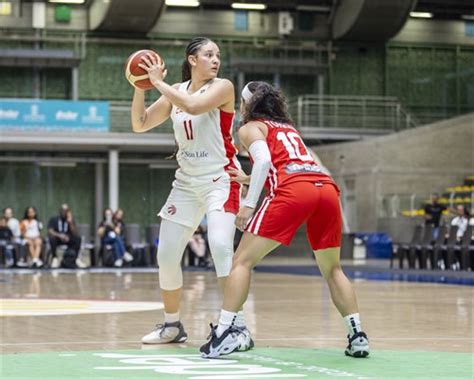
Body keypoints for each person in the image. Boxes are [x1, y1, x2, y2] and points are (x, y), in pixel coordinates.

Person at [200, 81, 370, 358]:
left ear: (246, 105)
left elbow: (265, 162)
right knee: (333, 270)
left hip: (294, 191)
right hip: (326, 190)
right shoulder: (290, 130)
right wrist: (253, 178)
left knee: (241, 262)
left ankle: (223, 334)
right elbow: (298, 166)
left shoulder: (250, 127)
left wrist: (248, 205)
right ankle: (357, 335)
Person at [131, 36, 252, 349]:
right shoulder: (176, 92)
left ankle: (236, 327)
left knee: (220, 245)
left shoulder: (223, 87)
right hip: (186, 183)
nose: (216, 60)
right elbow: (140, 124)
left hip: (219, 180)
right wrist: (140, 86)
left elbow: (193, 106)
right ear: (192, 59)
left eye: (218, 55)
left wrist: (158, 82)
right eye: (209, 54)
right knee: (167, 254)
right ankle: (172, 326)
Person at [47, 204, 84, 268]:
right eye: (63, 210)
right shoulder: (54, 219)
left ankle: (75, 258)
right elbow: (50, 231)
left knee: (77, 239)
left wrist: (70, 222)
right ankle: (55, 258)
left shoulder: (70, 220)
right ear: (60, 211)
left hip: (68, 238)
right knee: (52, 238)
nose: (64, 212)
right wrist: (59, 235)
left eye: (66, 210)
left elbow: (74, 232)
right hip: (58, 238)